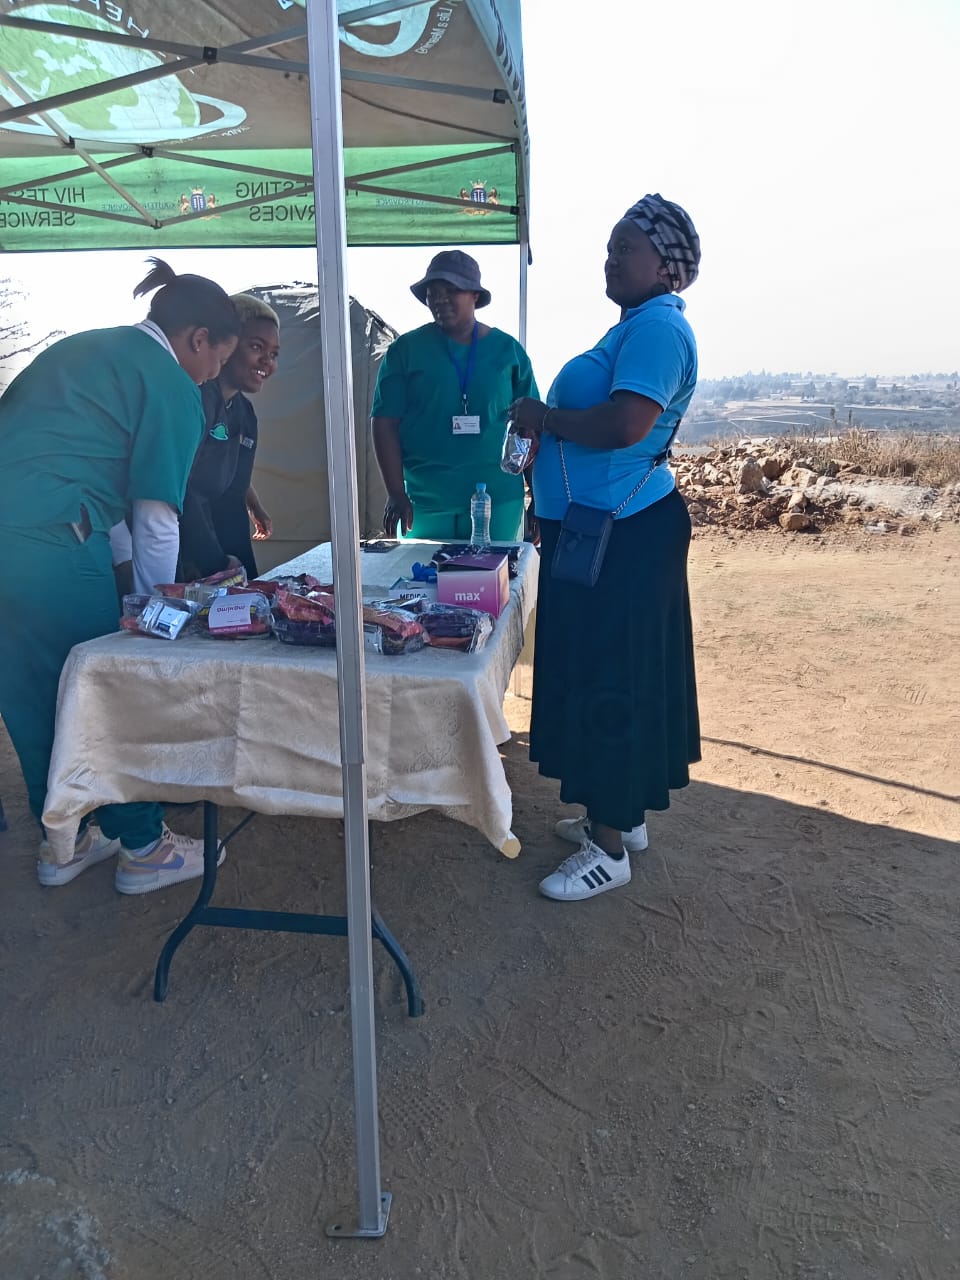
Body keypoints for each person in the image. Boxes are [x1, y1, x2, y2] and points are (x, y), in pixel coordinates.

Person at [0, 259, 240, 894]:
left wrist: (128, 589)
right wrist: (154, 617)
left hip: (19, 534)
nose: (216, 372)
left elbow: (99, 490)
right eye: (220, 358)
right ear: (197, 340)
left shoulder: (87, 349)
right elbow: (157, 517)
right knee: (106, 691)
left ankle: (66, 841)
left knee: (31, 694)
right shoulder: (170, 384)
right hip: (52, 540)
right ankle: (142, 846)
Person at [508, 194, 702, 902]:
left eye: (625, 247)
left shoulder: (657, 330)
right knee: (607, 672)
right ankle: (620, 814)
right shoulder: (634, 328)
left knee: (610, 679)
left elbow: (625, 425)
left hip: (621, 536)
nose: (611, 258)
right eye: (610, 246)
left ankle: (610, 849)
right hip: (601, 531)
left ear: (665, 263)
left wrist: (542, 416)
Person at [371, 250, 539, 542]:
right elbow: (384, 422)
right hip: (426, 501)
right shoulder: (405, 351)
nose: (439, 299)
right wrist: (396, 492)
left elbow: (532, 429)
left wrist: (537, 496)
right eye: (432, 292)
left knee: (495, 585)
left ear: (475, 295)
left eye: (451, 290)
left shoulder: (508, 351)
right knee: (424, 584)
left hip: (498, 501)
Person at [178, 294, 280, 580]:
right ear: (228, 343)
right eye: (256, 347)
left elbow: (234, 480)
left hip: (228, 539)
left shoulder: (245, 413)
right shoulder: (197, 398)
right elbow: (185, 487)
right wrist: (215, 561)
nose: (267, 362)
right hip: (186, 550)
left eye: (274, 354)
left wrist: (253, 502)